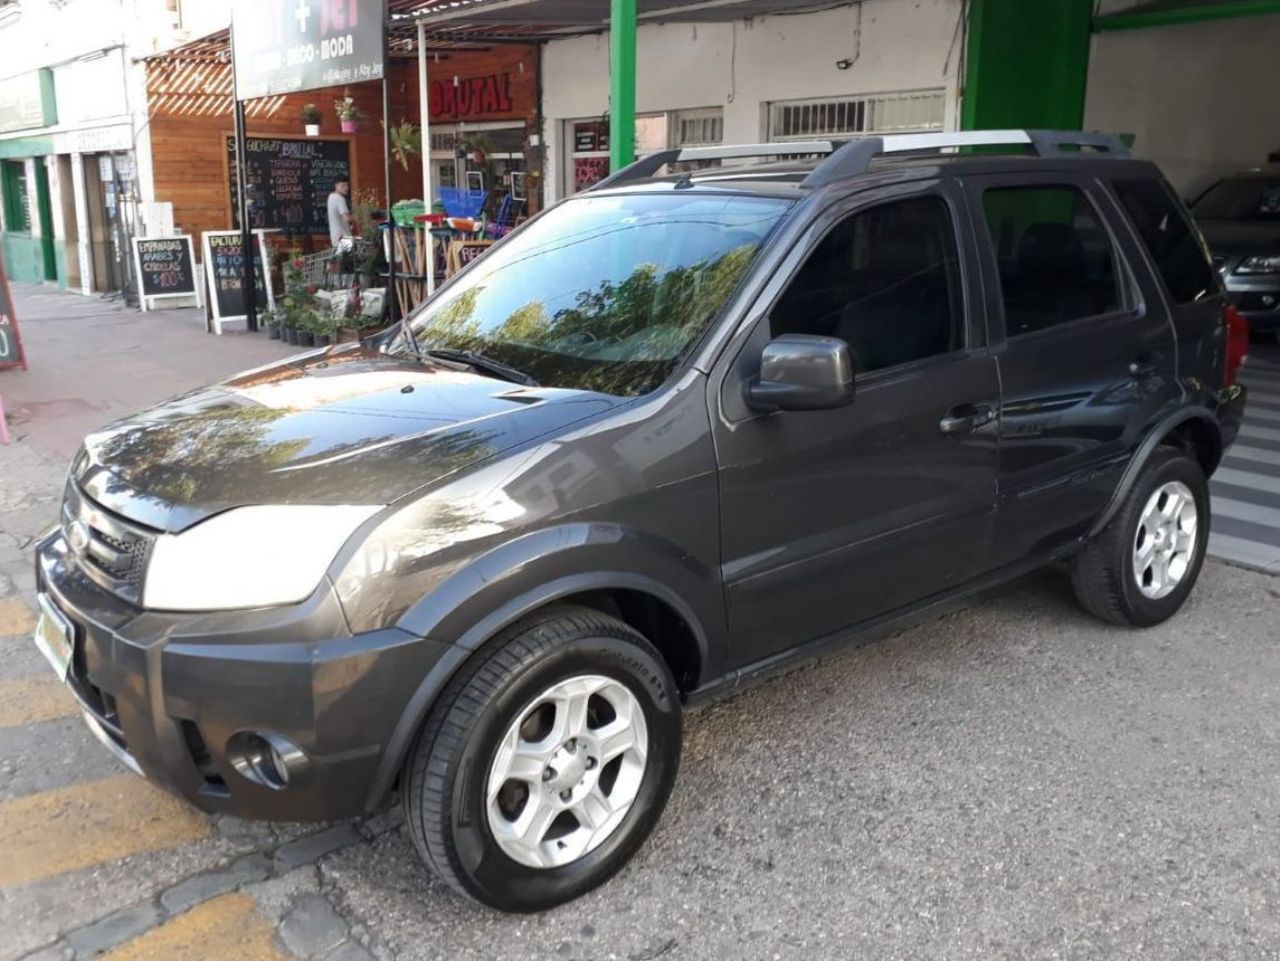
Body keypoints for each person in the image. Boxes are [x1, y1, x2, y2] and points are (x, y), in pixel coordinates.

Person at [327, 179, 353, 251]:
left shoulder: (331, 197)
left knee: (340, 260)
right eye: (343, 185)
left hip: (335, 237)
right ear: (336, 185)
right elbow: (346, 218)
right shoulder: (340, 199)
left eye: (347, 185)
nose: (346, 188)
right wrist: (360, 218)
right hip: (343, 237)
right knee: (346, 260)